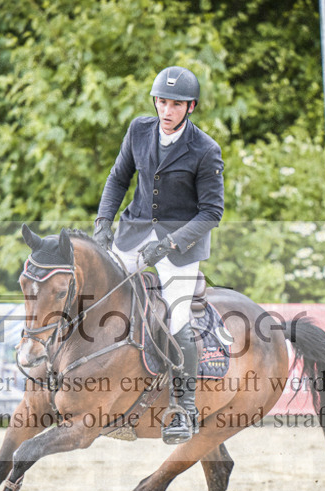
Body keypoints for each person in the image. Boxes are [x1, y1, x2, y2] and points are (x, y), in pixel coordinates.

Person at [93, 65, 224, 445]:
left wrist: (168, 245)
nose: (167, 110)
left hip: (179, 249)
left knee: (177, 316)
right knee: (99, 297)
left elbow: (211, 212)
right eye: (162, 102)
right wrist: (104, 220)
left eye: (176, 104)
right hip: (133, 233)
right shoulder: (139, 130)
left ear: (190, 107)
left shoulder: (205, 150)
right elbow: (118, 178)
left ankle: (184, 408)